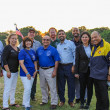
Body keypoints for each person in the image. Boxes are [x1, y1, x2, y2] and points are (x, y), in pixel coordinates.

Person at [36, 35, 60, 109]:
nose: (45, 41)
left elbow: (57, 60)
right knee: (43, 86)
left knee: (52, 87)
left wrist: (55, 71)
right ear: (42, 41)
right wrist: (37, 69)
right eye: (44, 39)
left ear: (49, 41)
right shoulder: (39, 49)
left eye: (47, 40)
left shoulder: (53, 49)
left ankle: (54, 102)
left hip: (50, 69)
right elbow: (36, 60)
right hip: (41, 69)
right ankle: (45, 100)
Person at [19, 28, 41, 101]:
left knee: (33, 82)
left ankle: (32, 96)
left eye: (33, 32)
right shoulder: (23, 43)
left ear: (34, 34)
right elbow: (18, 50)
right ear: (28, 33)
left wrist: (36, 68)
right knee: (27, 85)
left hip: (34, 65)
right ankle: (26, 100)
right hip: (26, 66)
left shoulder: (38, 43)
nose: (32, 33)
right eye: (30, 32)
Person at [90, 31, 110, 110]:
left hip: (103, 76)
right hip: (95, 76)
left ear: (100, 36)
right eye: (92, 38)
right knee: (98, 95)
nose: (94, 39)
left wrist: (109, 75)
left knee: (104, 96)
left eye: (95, 37)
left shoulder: (107, 46)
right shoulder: (94, 46)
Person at [57, 30, 76, 107]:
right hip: (60, 66)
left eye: (62, 34)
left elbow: (75, 54)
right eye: (59, 34)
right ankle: (62, 100)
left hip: (69, 66)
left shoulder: (70, 43)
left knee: (71, 85)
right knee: (61, 85)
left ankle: (71, 101)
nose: (61, 35)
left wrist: (74, 66)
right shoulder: (58, 45)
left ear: (65, 35)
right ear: (58, 36)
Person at [74, 32, 93, 109]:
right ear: (81, 38)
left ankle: (88, 103)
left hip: (92, 70)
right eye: (83, 37)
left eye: (86, 37)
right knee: (82, 87)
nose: (84, 38)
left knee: (90, 88)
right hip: (82, 70)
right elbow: (77, 60)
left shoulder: (93, 46)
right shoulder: (78, 48)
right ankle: (82, 103)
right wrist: (76, 72)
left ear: (89, 38)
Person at [18, 36, 37, 110]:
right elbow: (21, 63)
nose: (28, 43)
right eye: (27, 41)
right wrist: (27, 73)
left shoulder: (32, 51)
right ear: (24, 43)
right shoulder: (22, 51)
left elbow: (35, 61)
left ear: (31, 43)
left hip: (33, 73)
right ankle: (27, 105)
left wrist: (36, 70)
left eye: (29, 41)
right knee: (28, 88)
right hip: (25, 74)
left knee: (28, 88)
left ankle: (24, 102)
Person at [2, 33, 20, 110]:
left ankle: (12, 102)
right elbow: (4, 59)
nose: (14, 40)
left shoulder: (18, 49)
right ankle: (5, 105)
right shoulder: (7, 48)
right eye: (12, 38)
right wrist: (8, 71)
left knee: (13, 88)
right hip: (8, 71)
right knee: (7, 88)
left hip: (15, 71)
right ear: (9, 39)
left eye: (15, 38)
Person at [71, 27, 87, 103]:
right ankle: (77, 97)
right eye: (74, 31)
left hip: (84, 65)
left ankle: (84, 98)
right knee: (76, 82)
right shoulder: (70, 42)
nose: (75, 32)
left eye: (76, 30)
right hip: (75, 65)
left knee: (84, 82)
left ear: (79, 32)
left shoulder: (84, 40)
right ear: (72, 32)